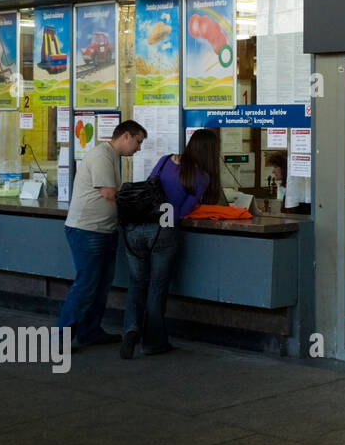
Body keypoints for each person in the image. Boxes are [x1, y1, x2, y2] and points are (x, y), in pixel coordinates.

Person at [120, 128, 222, 359]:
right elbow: (182, 212)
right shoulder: (202, 176)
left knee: (136, 283)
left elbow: (148, 187)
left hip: (136, 228)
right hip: (163, 232)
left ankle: (130, 330)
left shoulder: (166, 160)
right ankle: (153, 343)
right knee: (157, 286)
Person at [58, 120, 146, 348]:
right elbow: (108, 193)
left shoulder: (112, 157)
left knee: (100, 286)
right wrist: (137, 207)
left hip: (104, 230)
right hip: (88, 231)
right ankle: (61, 339)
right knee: (86, 284)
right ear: (126, 136)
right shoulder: (101, 155)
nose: (139, 148)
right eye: (138, 142)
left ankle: (90, 332)